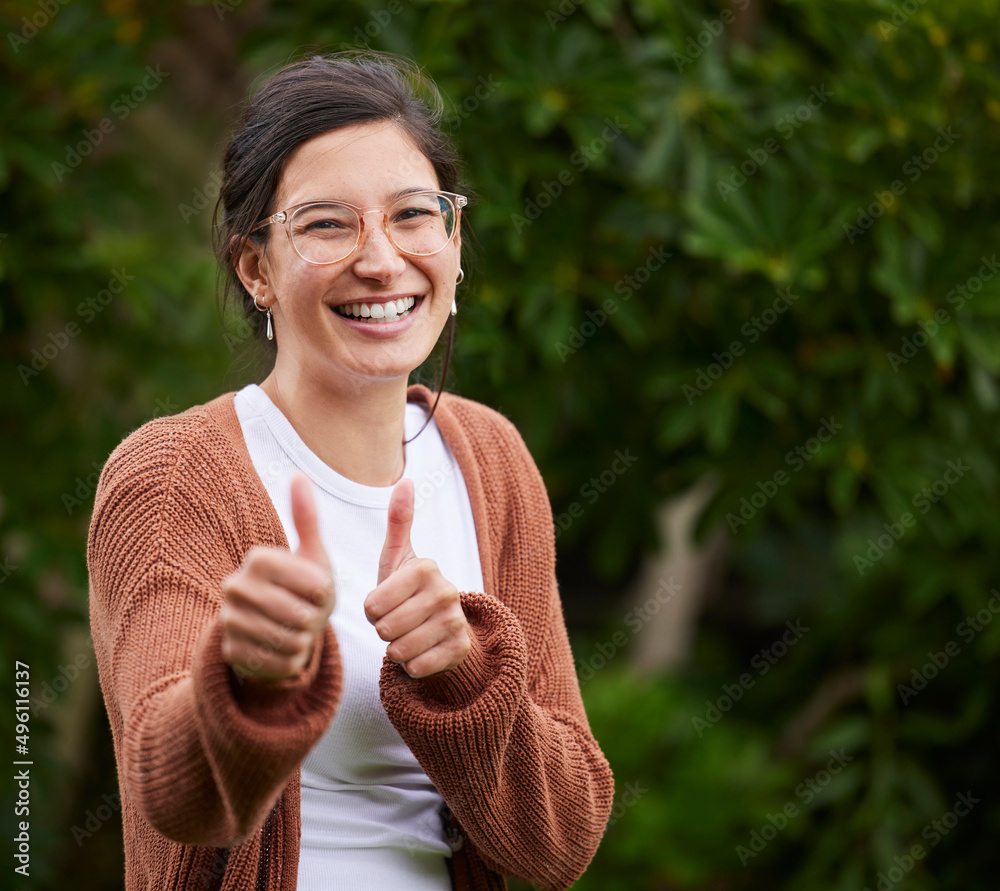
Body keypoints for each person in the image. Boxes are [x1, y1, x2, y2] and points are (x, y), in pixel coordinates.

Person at [87, 51, 614, 891]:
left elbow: (561, 842)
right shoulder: (173, 475)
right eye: (328, 224)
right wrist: (242, 675)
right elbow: (170, 796)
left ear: (453, 239)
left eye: (413, 214)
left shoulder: (493, 458)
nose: (380, 260)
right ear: (254, 267)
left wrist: (466, 677)